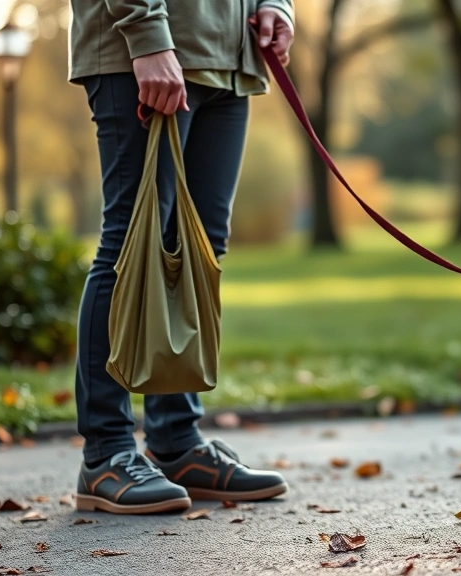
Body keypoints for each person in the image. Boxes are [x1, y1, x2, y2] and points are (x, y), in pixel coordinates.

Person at [68, 0, 295, 514]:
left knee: (199, 251)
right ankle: (105, 452)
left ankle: (176, 443)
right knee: (131, 246)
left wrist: (275, 5)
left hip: (229, 58)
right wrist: (147, 35)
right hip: (147, 50)